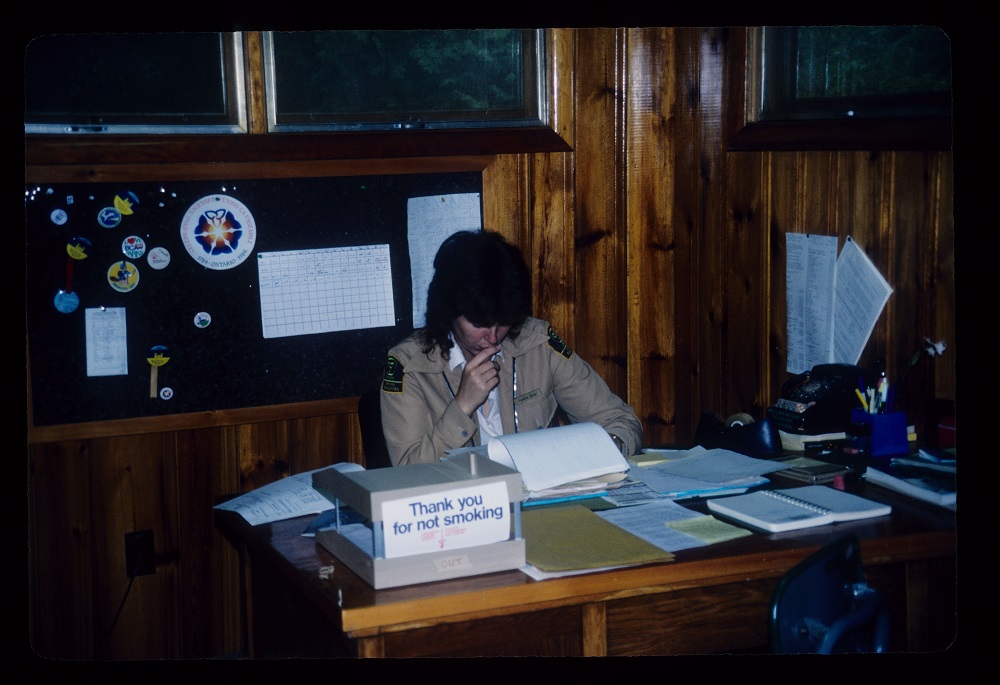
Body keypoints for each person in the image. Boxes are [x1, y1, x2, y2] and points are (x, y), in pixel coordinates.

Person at [379, 230, 642, 466]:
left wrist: (610, 450)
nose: (493, 338)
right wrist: (462, 407)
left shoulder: (539, 343)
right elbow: (408, 471)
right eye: (479, 323)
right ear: (448, 311)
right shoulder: (408, 365)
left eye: (503, 322)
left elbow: (620, 420)